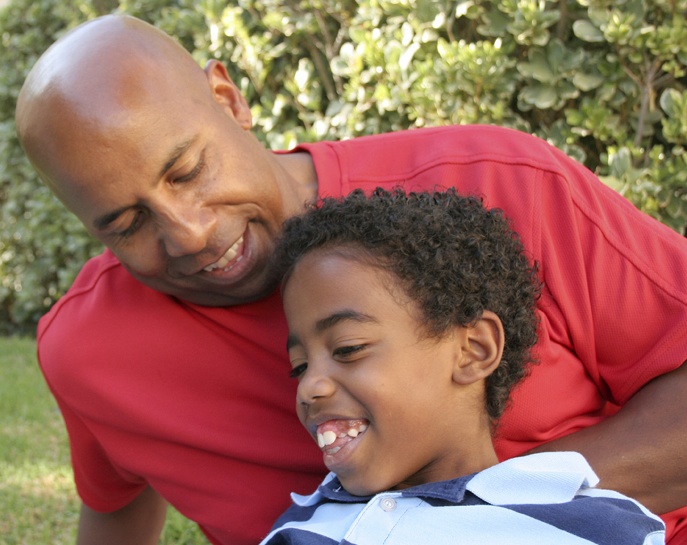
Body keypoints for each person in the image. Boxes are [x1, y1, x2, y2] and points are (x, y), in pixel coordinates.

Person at [13, 13, 687, 545]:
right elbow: (115, 506)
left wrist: (454, 519)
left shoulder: (498, 184)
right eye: (127, 222)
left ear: (228, 99)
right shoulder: (90, 349)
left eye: (187, 171)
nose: (187, 233)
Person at [258, 186, 665, 544]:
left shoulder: (594, 525)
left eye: (348, 348)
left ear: (474, 349)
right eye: (300, 366)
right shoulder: (301, 526)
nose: (309, 386)